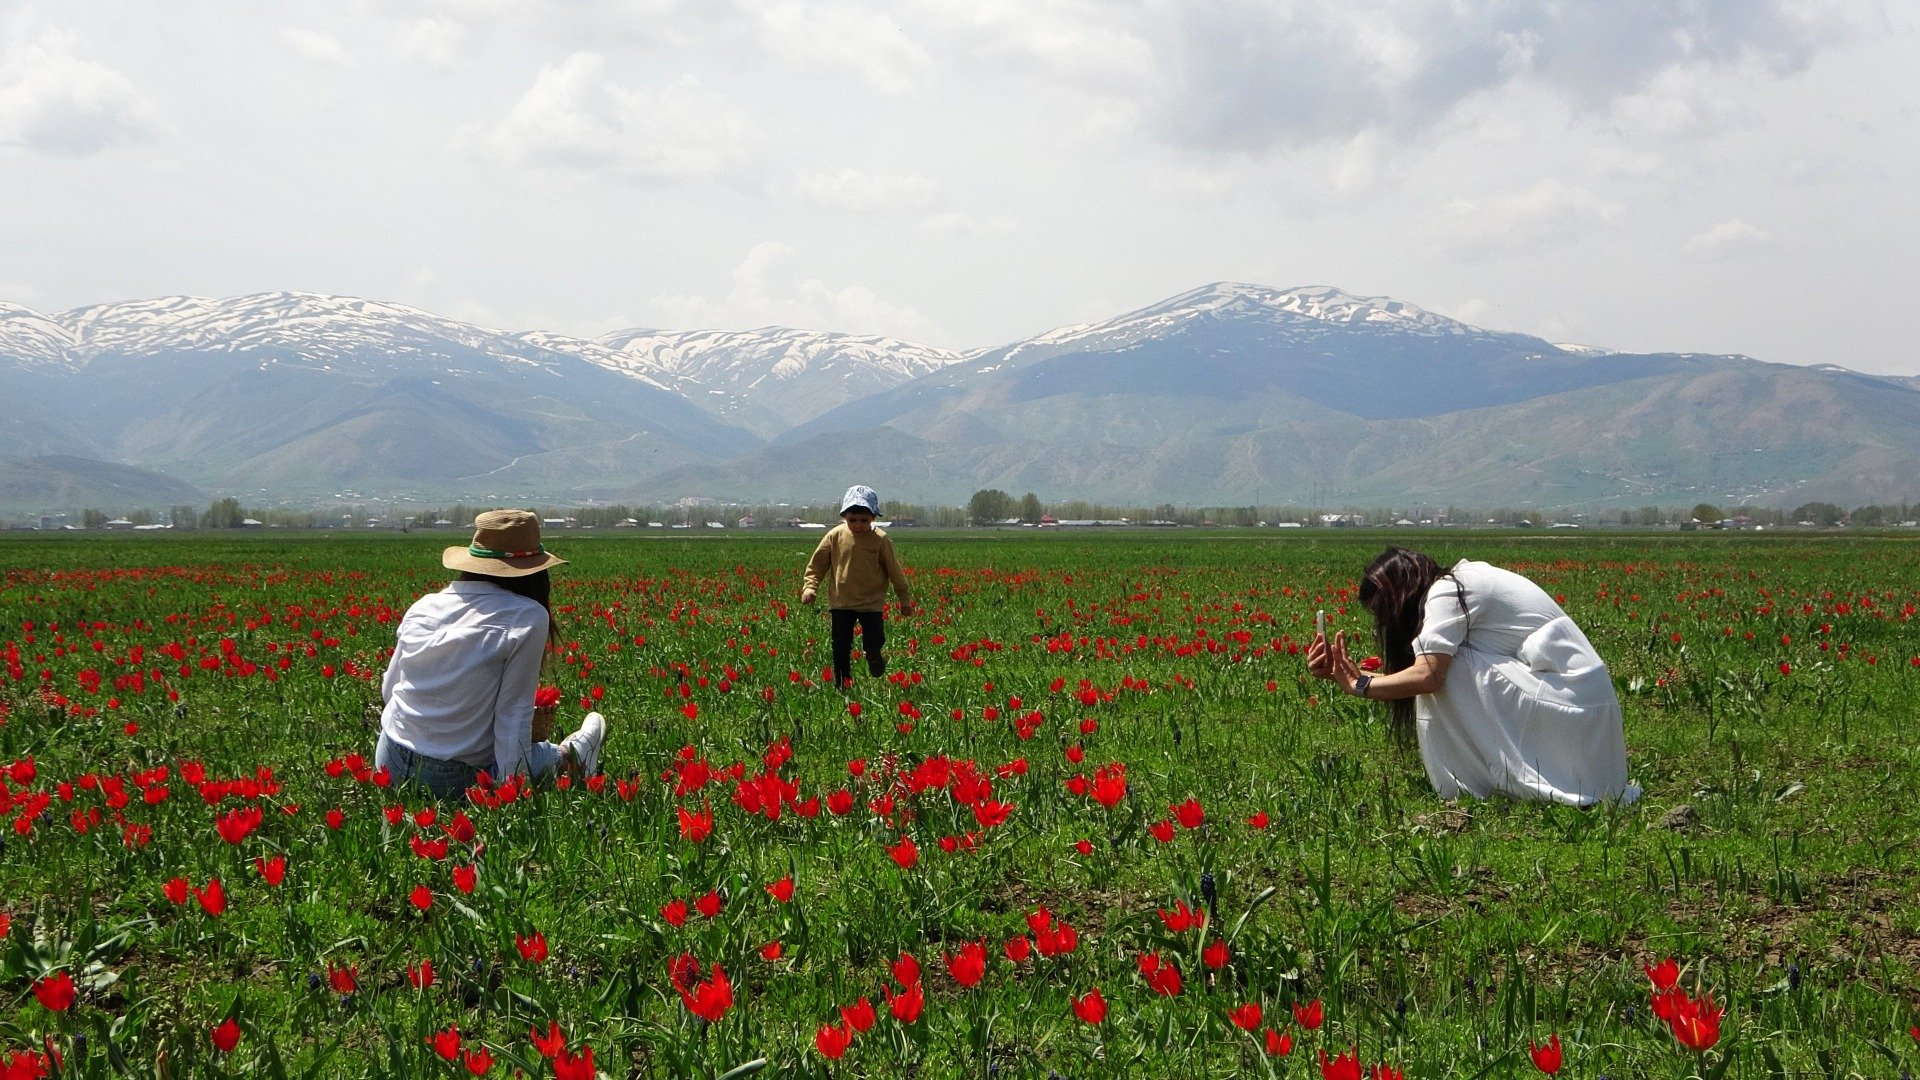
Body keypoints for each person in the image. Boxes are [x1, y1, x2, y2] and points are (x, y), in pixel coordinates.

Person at [1307, 547, 1637, 806]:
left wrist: (1360, 685)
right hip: (1585, 733)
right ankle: (1495, 778)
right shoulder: (1463, 579)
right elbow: (1421, 673)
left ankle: (1469, 787)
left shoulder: (1449, 592)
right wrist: (1348, 675)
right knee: (1444, 665)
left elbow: (1429, 676)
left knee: (1450, 667)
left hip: (1575, 718)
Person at [376, 509, 605, 799]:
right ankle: (569, 757)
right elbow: (514, 715)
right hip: (451, 779)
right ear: (535, 571)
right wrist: (512, 791)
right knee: (538, 757)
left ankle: (559, 755)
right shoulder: (527, 616)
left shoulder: (423, 606)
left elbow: (389, 690)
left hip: (389, 761)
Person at [801, 485, 914, 688]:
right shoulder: (835, 536)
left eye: (864, 520)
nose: (858, 525)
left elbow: (895, 571)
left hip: (871, 603)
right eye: (853, 520)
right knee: (840, 647)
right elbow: (817, 565)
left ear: (873, 518)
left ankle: (873, 656)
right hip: (841, 602)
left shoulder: (880, 540)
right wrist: (810, 587)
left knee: (874, 640)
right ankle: (842, 684)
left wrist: (904, 599)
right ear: (845, 516)